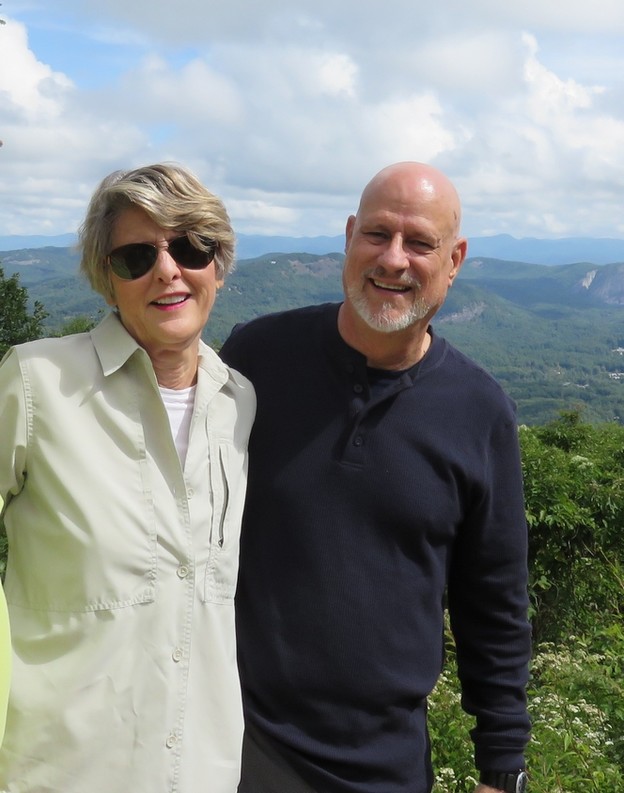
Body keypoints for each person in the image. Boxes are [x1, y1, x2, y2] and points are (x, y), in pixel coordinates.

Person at [220, 162, 531, 793]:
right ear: (347, 235)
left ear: (455, 259)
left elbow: (493, 601)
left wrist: (501, 769)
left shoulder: (479, 410)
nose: (393, 259)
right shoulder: (257, 359)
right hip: (236, 742)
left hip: (384, 765)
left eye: (419, 242)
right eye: (377, 234)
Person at [0, 163, 256, 792]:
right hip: (61, 773)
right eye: (136, 257)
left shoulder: (239, 402)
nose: (168, 271)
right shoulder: (37, 383)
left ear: (217, 266)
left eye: (191, 247)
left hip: (203, 773)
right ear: (107, 281)